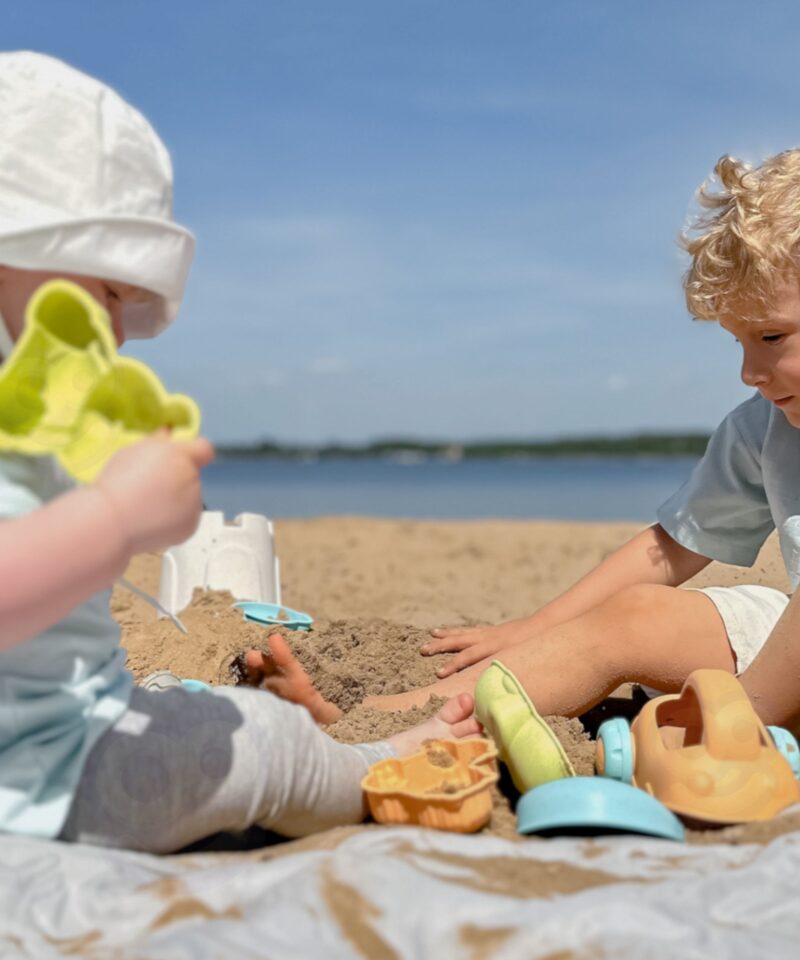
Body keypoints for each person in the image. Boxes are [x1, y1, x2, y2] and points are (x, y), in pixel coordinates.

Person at [0, 51, 479, 855]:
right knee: (260, 740)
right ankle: (371, 767)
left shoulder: (31, 400)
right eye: (110, 288)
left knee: (183, 705)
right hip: (37, 781)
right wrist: (114, 517)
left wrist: (122, 491)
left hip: (53, 728)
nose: (119, 328)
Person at [246, 149, 800, 734]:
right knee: (632, 617)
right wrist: (535, 630)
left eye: (771, 336)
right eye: (739, 341)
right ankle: (386, 722)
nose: (749, 371)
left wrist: (748, 716)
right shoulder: (763, 426)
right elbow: (670, 548)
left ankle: (754, 723)